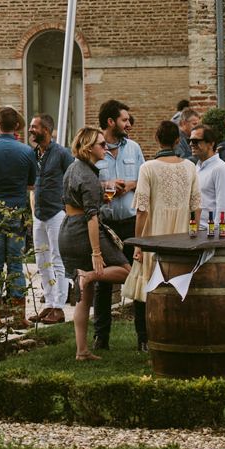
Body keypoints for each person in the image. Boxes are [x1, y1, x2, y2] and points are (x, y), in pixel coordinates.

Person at [124, 121, 200, 351]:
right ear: (178, 140)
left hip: (153, 234)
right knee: (177, 285)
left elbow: (142, 210)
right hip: (180, 235)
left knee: (144, 287)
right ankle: (176, 332)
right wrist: (193, 234)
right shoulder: (190, 167)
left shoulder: (148, 168)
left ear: (157, 139)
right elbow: (196, 206)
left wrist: (139, 243)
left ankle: (144, 338)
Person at [58, 126, 130, 361]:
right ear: (89, 148)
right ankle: (88, 275)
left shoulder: (73, 168)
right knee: (125, 271)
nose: (106, 148)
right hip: (83, 231)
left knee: (84, 296)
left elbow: (75, 197)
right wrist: (97, 253)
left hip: (68, 229)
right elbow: (91, 216)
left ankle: (82, 351)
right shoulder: (88, 175)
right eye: (101, 144)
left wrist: (106, 189)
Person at [0, 105, 37, 328]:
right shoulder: (27, 152)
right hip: (17, 212)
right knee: (16, 264)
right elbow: (32, 183)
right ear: (17, 127)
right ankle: (19, 316)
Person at [93, 99, 143, 351]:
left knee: (138, 278)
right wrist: (109, 188)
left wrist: (131, 185)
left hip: (131, 223)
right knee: (103, 281)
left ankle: (143, 338)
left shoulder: (133, 148)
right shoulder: (93, 149)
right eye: (124, 119)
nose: (128, 123)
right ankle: (101, 338)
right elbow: (87, 187)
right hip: (106, 225)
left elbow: (144, 181)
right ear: (111, 122)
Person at [27, 113, 72, 325]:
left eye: (34, 127)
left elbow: (72, 178)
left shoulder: (61, 153)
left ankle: (60, 307)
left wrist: (68, 207)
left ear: (46, 130)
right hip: (39, 213)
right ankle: (49, 303)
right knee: (41, 259)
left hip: (56, 212)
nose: (30, 130)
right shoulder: (33, 154)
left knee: (57, 258)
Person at [191, 124, 225, 225]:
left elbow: (223, 206)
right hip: (195, 230)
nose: (191, 144)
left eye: (196, 141)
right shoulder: (197, 167)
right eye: (190, 140)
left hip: (210, 233)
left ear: (211, 144)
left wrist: (217, 235)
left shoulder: (220, 168)